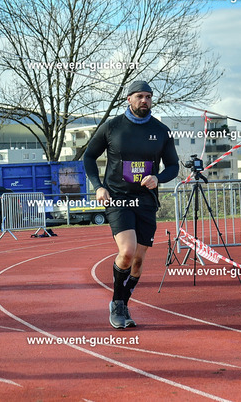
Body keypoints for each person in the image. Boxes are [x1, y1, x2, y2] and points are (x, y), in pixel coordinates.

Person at [83, 80, 179, 329]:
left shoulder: (161, 131)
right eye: (139, 96)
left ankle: (122, 302)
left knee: (138, 260)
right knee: (127, 251)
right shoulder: (112, 127)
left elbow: (173, 166)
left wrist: (158, 178)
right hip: (118, 198)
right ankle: (117, 304)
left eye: (148, 96)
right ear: (129, 99)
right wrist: (98, 186)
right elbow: (89, 156)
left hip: (146, 200)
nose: (144, 100)